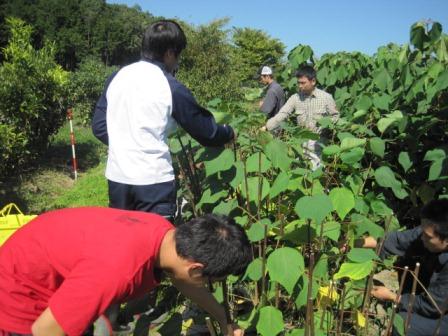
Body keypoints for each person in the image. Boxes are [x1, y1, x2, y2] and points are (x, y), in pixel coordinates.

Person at [0, 207, 251, 336]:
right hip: (18, 294)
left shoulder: (166, 236)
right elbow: (44, 331)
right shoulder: (116, 271)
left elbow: (184, 280)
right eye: (211, 281)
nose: (206, 285)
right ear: (196, 269)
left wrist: (223, 319)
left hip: (42, 259)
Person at [92, 20, 235, 220]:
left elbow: (99, 127)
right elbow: (207, 132)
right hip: (153, 184)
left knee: (124, 244)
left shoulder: (116, 77)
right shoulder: (170, 86)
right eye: (178, 55)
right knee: (155, 246)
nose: (177, 62)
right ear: (169, 53)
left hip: (118, 180)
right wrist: (229, 132)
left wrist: (128, 143)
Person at [361, 199, 448, 336]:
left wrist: (392, 296)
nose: (422, 237)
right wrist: (357, 242)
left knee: (403, 324)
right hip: (438, 295)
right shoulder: (429, 231)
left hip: (441, 309)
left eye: (428, 236)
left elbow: (433, 306)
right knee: (407, 264)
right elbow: (397, 240)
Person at [260, 65, 339, 170]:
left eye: (303, 83)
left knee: (316, 178)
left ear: (313, 81)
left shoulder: (326, 98)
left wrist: (327, 128)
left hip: (317, 145)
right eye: (298, 83)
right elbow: (282, 114)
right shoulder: (295, 98)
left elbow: (335, 116)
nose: (300, 86)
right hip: (300, 146)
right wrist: (267, 126)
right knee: (300, 177)